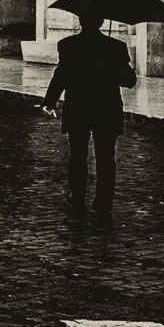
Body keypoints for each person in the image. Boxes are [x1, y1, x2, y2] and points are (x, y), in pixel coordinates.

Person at [40, 13, 135, 206]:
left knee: (77, 155)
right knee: (106, 158)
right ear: (100, 22)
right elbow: (129, 81)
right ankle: (104, 199)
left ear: (80, 22)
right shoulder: (116, 47)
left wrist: (50, 101)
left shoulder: (68, 45)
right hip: (106, 109)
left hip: (78, 108)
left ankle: (77, 195)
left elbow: (61, 76)